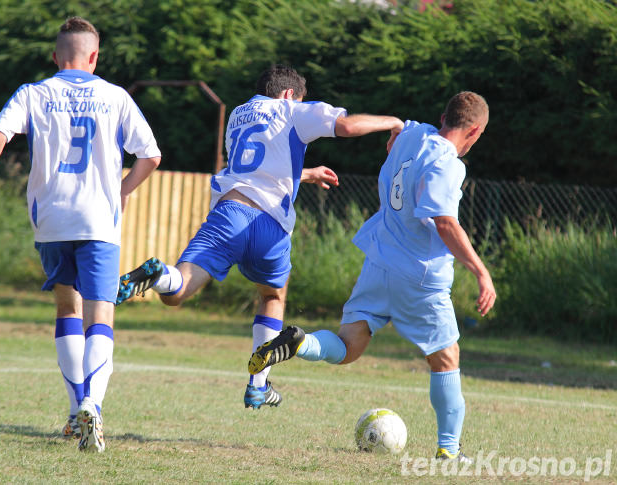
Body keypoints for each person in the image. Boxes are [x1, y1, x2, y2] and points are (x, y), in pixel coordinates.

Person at [117, 64, 403, 410]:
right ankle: (257, 385)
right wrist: (393, 122)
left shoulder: (239, 114)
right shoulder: (291, 109)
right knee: (272, 294)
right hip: (270, 224)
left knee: (177, 291)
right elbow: (346, 126)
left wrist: (304, 173)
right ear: (288, 94)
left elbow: (259, 164)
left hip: (229, 212)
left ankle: (158, 274)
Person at [248, 91, 496, 461]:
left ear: (443, 116)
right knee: (445, 358)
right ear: (474, 130)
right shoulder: (448, 163)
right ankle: (449, 448)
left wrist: (395, 128)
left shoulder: (413, 133)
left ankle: (299, 343)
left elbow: (399, 126)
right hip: (420, 277)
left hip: (378, 262)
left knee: (348, 347)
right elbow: (445, 222)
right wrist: (481, 271)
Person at [0, 17, 161, 453]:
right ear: (94, 57)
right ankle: (93, 404)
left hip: (51, 220)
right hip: (98, 222)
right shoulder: (115, 96)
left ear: (55, 57)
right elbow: (151, 154)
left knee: (67, 309)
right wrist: (123, 192)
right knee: (100, 317)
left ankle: (75, 411)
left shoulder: (34, 93)